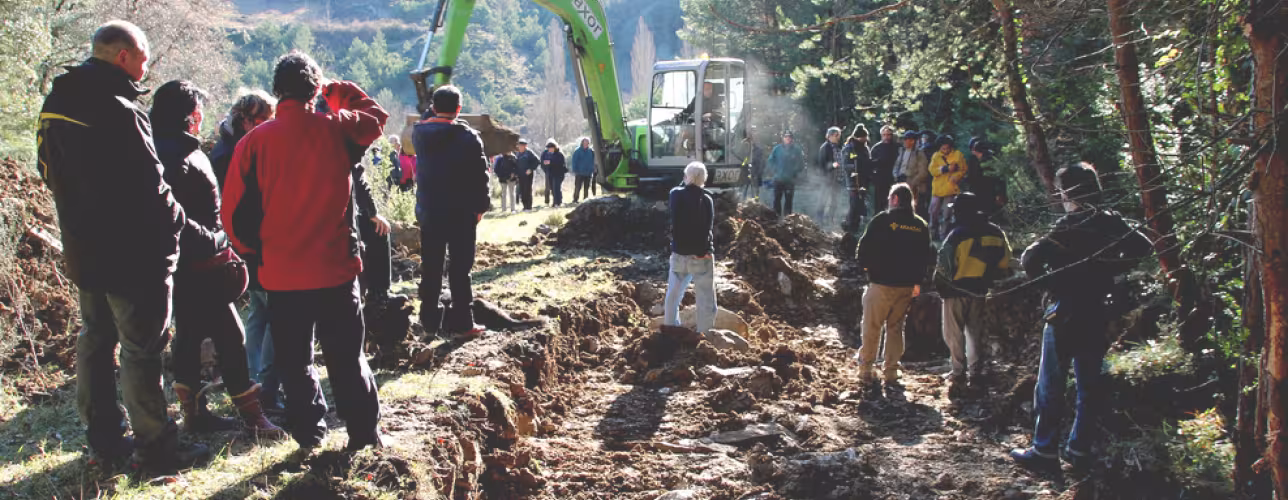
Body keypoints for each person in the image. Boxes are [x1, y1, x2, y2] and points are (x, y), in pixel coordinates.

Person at [36, 20, 209, 475]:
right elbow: (151, 186)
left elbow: (45, 170)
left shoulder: (55, 102)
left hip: (84, 250)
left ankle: (104, 440)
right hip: (133, 255)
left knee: (95, 341)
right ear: (123, 56)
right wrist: (175, 228)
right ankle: (156, 449)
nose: (145, 68)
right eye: (143, 58)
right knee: (141, 350)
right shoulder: (118, 106)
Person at [222, 50, 387, 452]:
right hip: (336, 269)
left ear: (277, 91)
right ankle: (364, 436)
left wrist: (256, 255)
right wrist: (333, 90)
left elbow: (231, 215)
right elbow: (376, 117)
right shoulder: (339, 128)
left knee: (295, 362)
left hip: (282, 273)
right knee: (347, 358)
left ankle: (309, 437)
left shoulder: (254, 142)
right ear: (314, 88)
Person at [150, 80, 285, 438]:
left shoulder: (172, 148)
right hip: (198, 263)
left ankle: (195, 415)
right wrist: (216, 239)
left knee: (190, 336)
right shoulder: (172, 155)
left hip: (194, 261)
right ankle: (252, 415)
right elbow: (172, 214)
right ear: (190, 116)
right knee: (231, 334)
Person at [1011, 163, 1153, 472]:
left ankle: (1045, 450)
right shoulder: (1110, 223)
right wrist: (1112, 270)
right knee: (1089, 383)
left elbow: (1030, 258)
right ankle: (1079, 449)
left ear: (1068, 192)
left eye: (1062, 190)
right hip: (1097, 308)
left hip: (1064, 310)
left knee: (1051, 382)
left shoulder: (1069, 224)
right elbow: (1144, 246)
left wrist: (1050, 284)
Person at [209, 91, 284, 413]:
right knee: (277, 316)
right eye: (265, 120)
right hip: (254, 245)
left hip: (243, 245)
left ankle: (251, 379)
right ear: (247, 119)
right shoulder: (235, 153)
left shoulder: (228, 146)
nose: (270, 126)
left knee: (259, 313)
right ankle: (267, 388)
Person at [413, 85, 492, 336]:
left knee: (431, 267)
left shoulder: (419, 134)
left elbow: (428, 118)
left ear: (434, 107)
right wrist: (481, 208)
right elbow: (481, 177)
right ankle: (463, 323)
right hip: (461, 213)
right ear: (459, 109)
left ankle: (428, 322)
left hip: (430, 211)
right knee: (460, 270)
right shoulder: (468, 137)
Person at [854, 183, 933, 390]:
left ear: (895, 199)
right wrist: (918, 281)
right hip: (906, 287)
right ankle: (890, 371)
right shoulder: (920, 225)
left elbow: (863, 248)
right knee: (896, 328)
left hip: (881, 284)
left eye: (891, 198)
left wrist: (867, 270)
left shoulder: (882, 220)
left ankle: (866, 369)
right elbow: (927, 257)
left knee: (872, 327)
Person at [934, 192, 1013, 394]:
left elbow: (943, 266)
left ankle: (958, 373)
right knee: (975, 333)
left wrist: (941, 287)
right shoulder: (996, 233)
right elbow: (1005, 262)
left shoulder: (957, 234)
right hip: (980, 291)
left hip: (955, 291)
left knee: (953, 334)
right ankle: (976, 373)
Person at [662, 162, 717, 333]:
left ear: (686, 177)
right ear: (704, 179)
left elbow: (678, 190)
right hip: (702, 255)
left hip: (679, 253)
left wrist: (687, 180)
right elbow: (709, 225)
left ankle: (671, 329)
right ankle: (705, 334)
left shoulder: (675, 195)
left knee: (673, 295)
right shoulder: (707, 199)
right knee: (706, 298)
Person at [928, 135, 968, 241]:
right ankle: (932, 234)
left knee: (947, 214)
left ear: (951, 147)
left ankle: (944, 236)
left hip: (951, 189)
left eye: (947, 148)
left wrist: (956, 176)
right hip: (937, 189)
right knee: (933, 212)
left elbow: (963, 169)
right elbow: (932, 170)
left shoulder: (958, 155)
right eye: (943, 148)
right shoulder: (936, 156)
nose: (945, 150)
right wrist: (945, 169)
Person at [841, 124, 873, 233]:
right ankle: (848, 225)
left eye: (865, 137)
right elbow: (846, 165)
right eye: (863, 137)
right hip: (853, 181)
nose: (865, 139)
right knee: (854, 204)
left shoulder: (865, 148)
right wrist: (856, 169)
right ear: (857, 137)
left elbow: (868, 162)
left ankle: (855, 225)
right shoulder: (850, 148)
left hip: (864, 181)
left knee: (860, 203)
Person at [965, 138, 1007, 217]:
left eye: (975, 152)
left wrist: (1000, 194)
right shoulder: (976, 160)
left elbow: (999, 179)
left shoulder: (989, 162)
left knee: (990, 216)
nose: (974, 153)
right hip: (981, 194)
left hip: (988, 195)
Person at [767, 131, 805, 216]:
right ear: (783, 138)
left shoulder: (797, 150)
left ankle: (787, 219)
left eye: (789, 137)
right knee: (777, 199)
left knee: (788, 200)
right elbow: (770, 161)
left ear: (792, 139)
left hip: (790, 180)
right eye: (786, 137)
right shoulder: (777, 149)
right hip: (778, 179)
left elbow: (801, 164)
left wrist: (794, 171)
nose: (788, 138)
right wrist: (775, 170)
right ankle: (776, 218)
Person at [815, 127, 844, 226]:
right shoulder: (825, 147)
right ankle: (819, 220)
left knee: (834, 201)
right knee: (823, 199)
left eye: (838, 135)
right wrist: (832, 166)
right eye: (836, 135)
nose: (838, 137)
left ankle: (830, 219)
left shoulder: (837, 147)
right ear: (830, 136)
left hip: (837, 179)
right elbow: (822, 164)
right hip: (827, 179)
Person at [869, 125, 899, 214]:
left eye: (889, 134)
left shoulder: (897, 147)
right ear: (881, 135)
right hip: (880, 180)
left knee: (894, 202)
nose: (886, 137)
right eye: (884, 134)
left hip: (894, 179)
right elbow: (871, 164)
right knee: (879, 203)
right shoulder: (876, 148)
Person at [541, 139, 568, 207]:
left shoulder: (559, 154)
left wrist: (551, 162)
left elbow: (561, 163)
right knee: (552, 188)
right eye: (549, 148)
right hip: (549, 173)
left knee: (556, 188)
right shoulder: (545, 154)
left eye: (551, 148)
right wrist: (546, 168)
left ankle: (557, 202)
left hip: (558, 174)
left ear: (555, 147)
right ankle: (556, 201)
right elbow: (542, 163)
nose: (550, 149)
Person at [515, 139, 540, 210]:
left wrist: (531, 169)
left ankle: (529, 207)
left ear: (525, 146)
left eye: (521, 146)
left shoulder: (529, 153)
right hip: (520, 175)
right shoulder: (517, 154)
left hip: (528, 175)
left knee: (527, 190)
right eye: (519, 146)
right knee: (522, 191)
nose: (519, 147)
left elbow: (537, 161)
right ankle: (524, 206)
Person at [570, 137, 596, 203]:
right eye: (584, 142)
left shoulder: (591, 151)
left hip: (588, 173)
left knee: (586, 188)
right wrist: (575, 170)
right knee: (578, 187)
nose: (586, 144)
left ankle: (585, 200)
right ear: (582, 143)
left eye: (587, 143)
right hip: (579, 173)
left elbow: (594, 161)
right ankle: (575, 199)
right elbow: (574, 161)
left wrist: (593, 169)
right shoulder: (577, 151)